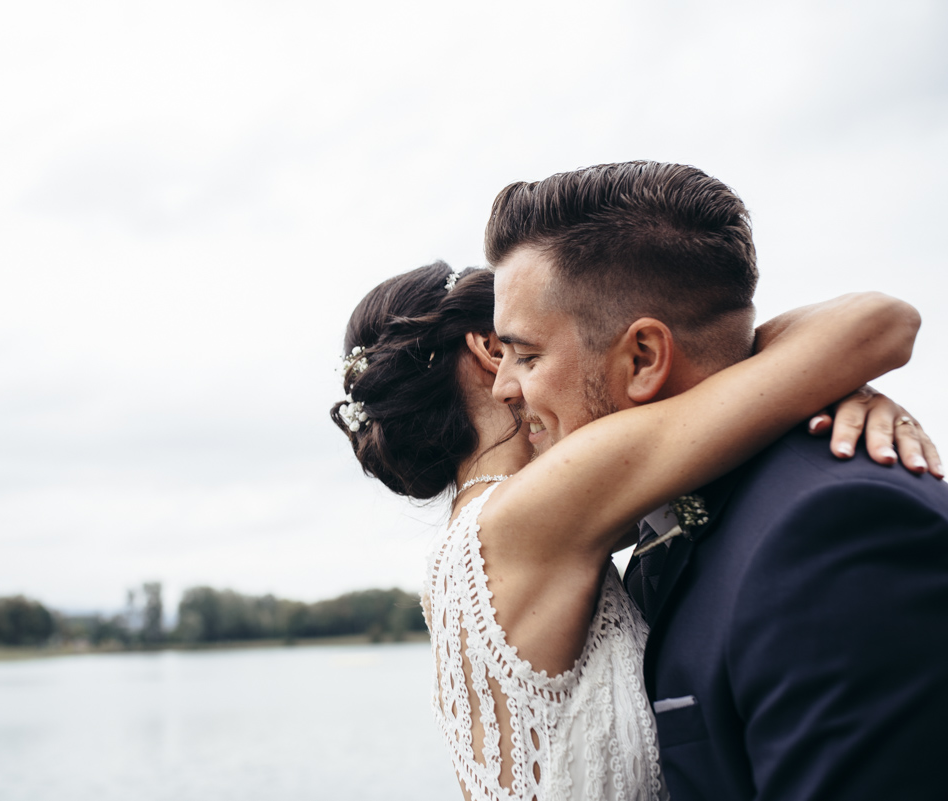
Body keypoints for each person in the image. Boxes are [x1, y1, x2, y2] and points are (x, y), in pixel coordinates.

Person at [332, 259, 935, 800]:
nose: (524, 365)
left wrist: (822, 387)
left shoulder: (478, 534)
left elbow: (723, 384)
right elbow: (879, 323)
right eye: (522, 347)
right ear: (490, 349)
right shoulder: (537, 509)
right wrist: (826, 383)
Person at [483, 161, 948, 800]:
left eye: (528, 355)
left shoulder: (837, 532)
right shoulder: (651, 529)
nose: (506, 388)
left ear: (643, 357)